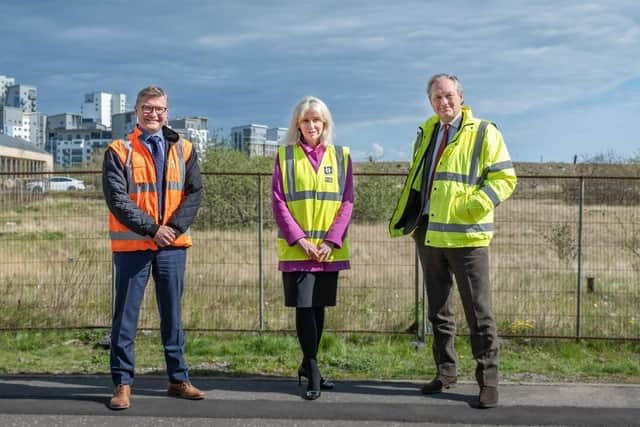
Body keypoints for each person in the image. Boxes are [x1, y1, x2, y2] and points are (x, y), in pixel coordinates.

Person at [389, 74, 517, 408]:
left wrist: (472, 206)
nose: (443, 103)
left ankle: (488, 379)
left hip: (467, 236)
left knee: (479, 312)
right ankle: (445, 371)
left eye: (448, 96)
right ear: (430, 102)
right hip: (429, 233)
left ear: (460, 96)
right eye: (436, 98)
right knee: (439, 311)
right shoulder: (427, 131)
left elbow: (505, 178)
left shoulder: (485, 132)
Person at [102, 86, 204, 410]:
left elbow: (194, 193)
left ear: (167, 111)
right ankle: (122, 384)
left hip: (172, 245)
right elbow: (117, 199)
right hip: (133, 246)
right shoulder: (119, 150)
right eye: (147, 108)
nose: (154, 114)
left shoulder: (185, 149)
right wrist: (152, 229)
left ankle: (178, 379)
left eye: (159, 108)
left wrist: (171, 229)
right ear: (136, 111)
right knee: (125, 318)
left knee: (172, 316)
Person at [272, 96, 353, 400]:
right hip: (299, 249)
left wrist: (331, 240)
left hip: (328, 250)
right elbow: (279, 203)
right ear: (298, 124)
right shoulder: (285, 157)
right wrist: (301, 239)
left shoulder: (341, 157)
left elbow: (347, 201)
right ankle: (314, 368)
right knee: (304, 307)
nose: (311, 125)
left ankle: (308, 364)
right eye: (306, 120)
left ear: (325, 123)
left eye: (316, 119)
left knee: (318, 308)